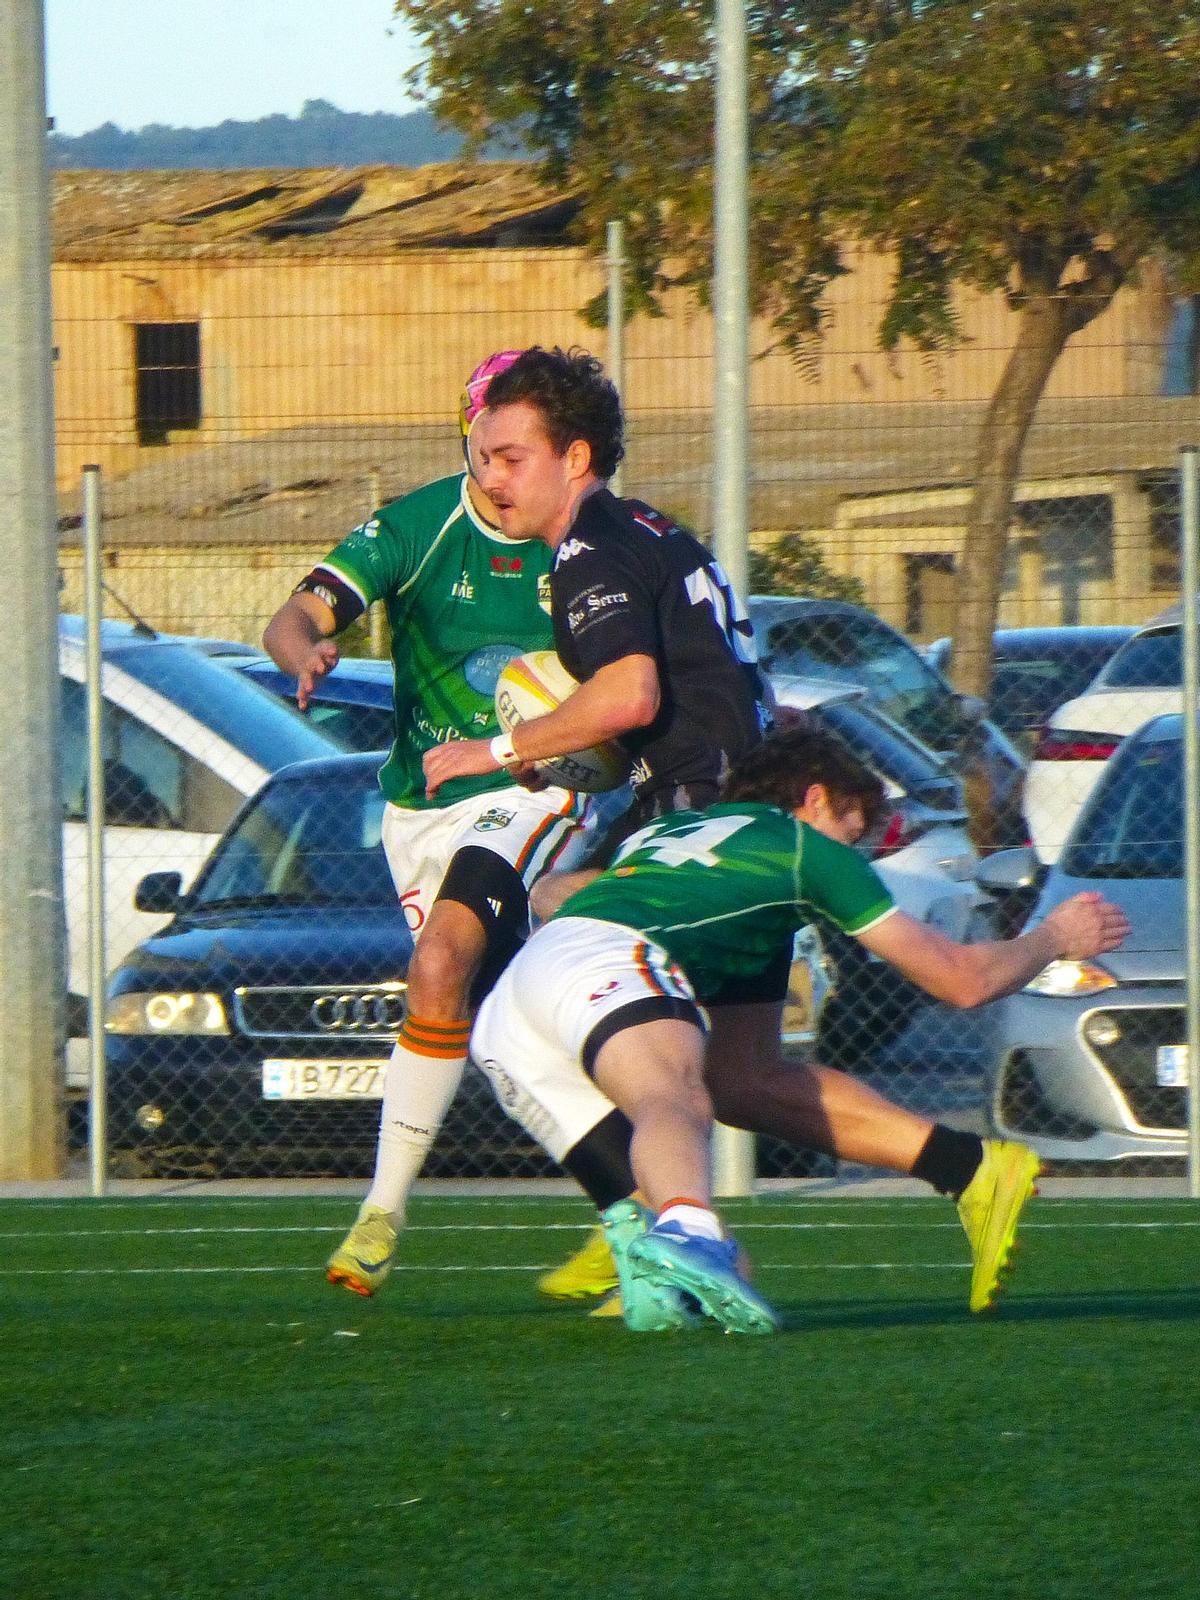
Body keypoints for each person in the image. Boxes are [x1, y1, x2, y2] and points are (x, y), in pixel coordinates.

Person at [471, 728, 1132, 1331]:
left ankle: (668, 1263)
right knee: (670, 1097)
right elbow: (961, 980)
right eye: (854, 832)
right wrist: (1054, 936)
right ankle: (694, 1238)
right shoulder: (803, 850)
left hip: (511, 1015)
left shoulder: (680, 831)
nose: (854, 854)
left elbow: (554, 892)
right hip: (609, 961)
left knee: (727, 1089)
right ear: (817, 799)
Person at [262, 352, 634, 1297]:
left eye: (511, 454)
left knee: (440, 963)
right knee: (502, 1030)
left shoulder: (599, 541)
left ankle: (381, 1215)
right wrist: (305, 646)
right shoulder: (421, 526)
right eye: (483, 453)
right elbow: (296, 614)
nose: (493, 473)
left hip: (539, 786)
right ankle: (636, 1209)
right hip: (421, 802)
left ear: (564, 454)